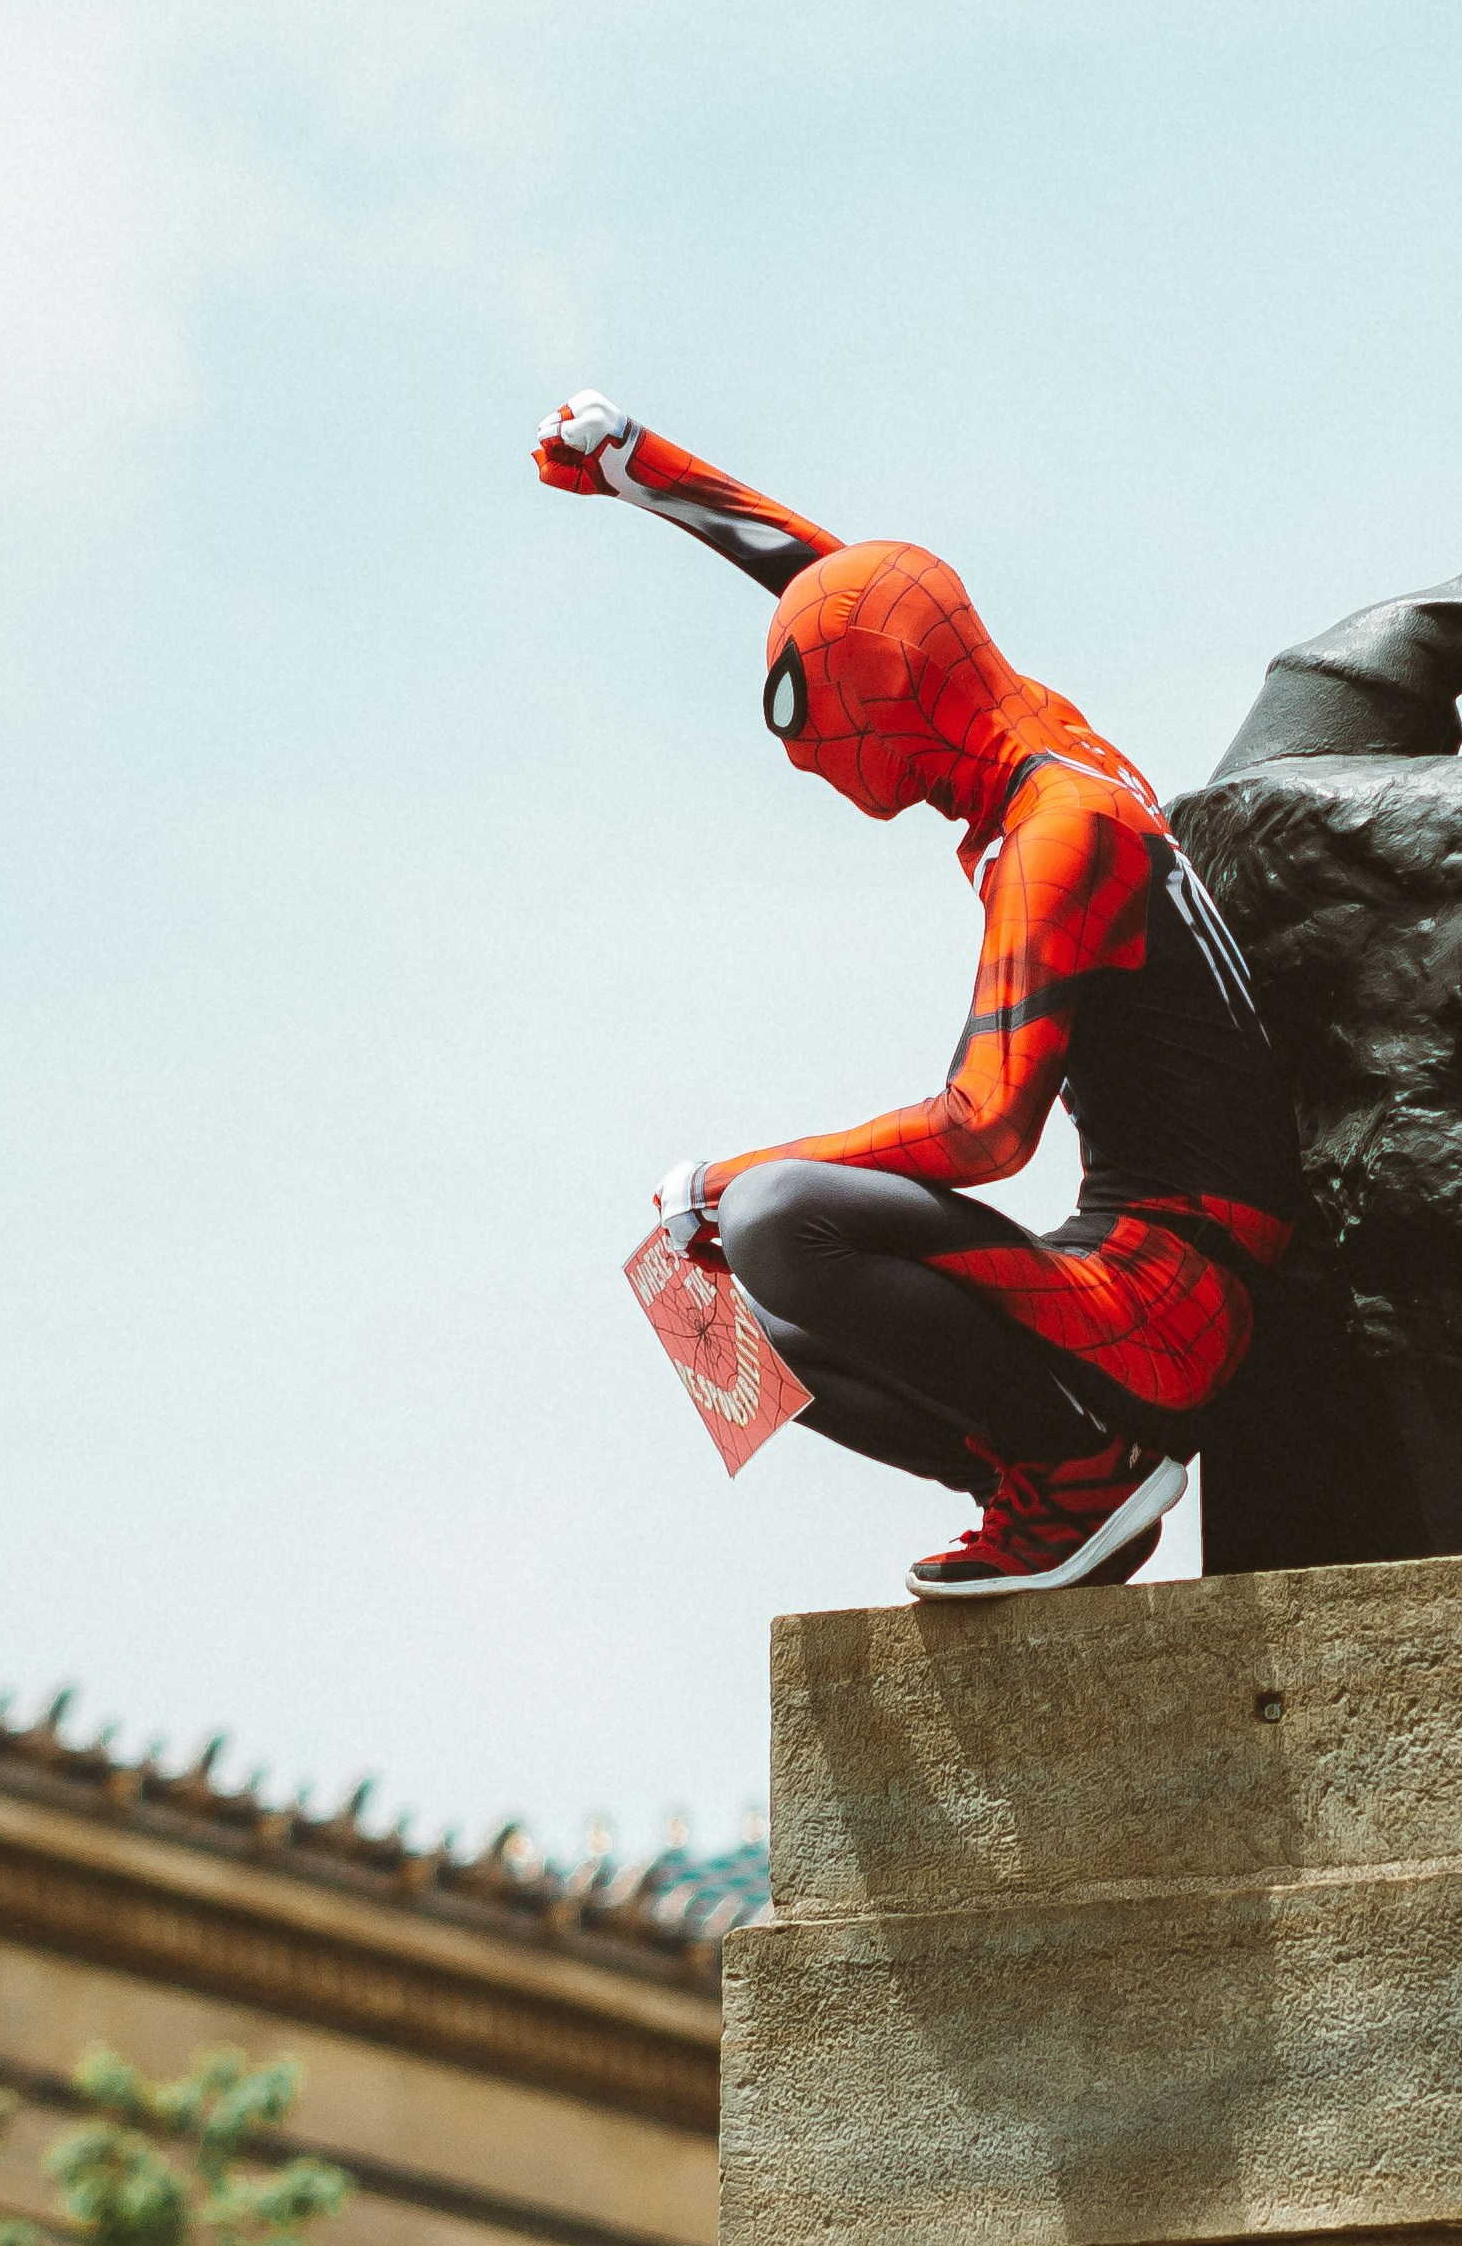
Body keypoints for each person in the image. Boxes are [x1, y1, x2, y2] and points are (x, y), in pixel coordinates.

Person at [534, 394, 1300, 1594]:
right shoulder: (1029, 725)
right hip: (1136, 1260)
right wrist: (649, 474)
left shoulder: (1059, 838)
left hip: (1176, 1295)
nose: (832, 779)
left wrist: (725, 1179)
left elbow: (986, 1128)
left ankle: (1084, 1479)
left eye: (836, 747)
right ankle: (1034, 1480)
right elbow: (861, 593)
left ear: (891, 708)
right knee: (700, 1309)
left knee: (780, 1217)